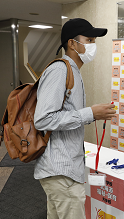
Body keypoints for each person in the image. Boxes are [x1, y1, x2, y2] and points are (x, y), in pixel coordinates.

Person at [34, 18, 116, 219]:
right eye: (89, 40)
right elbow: (43, 119)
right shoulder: (59, 70)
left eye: (94, 41)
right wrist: (90, 113)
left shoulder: (73, 70)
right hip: (62, 171)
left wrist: (90, 114)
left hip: (65, 168)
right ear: (72, 43)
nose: (93, 45)